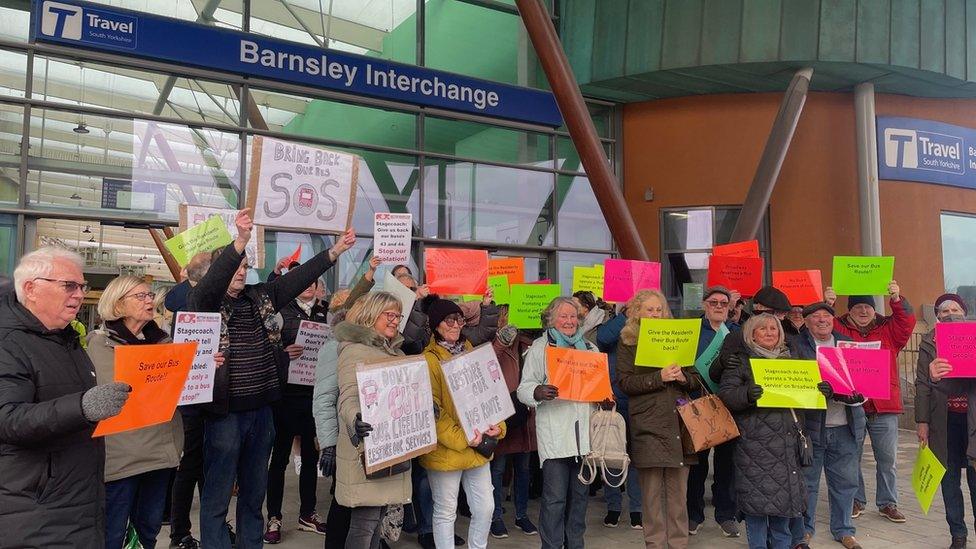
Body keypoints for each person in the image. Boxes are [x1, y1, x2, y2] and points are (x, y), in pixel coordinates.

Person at [186, 209, 355, 549]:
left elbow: (296, 279)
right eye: (234, 266)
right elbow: (213, 282)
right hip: (225, 414)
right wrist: (240, 243)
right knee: (218, 496)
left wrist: (333, 253)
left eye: (245, 266)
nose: (240, 271)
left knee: (254, 494)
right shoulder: (204, 301)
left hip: (262, 411)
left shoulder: (260, 296)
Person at [0, 246, 130, 547]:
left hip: (76, 501)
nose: (79, 294)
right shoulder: (8, 343)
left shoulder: (66, 339)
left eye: (82, 286)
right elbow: (8, 419)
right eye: (68, 285)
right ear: (31, 289)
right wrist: (83, 407)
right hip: (36, 511)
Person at [87, 276, 202, 549]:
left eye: (150, 295)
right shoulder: (99, 345)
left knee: (148, 532)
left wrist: (200, 369)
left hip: (159, 453)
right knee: (112, 534)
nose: (149, 300)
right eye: (140, 296)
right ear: (118, 304)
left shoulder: (165, 344)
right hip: (121, 457)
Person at [517, 297, 604, 549]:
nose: (569, 321)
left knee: (579, 499)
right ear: (551, 319)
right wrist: (537, 391)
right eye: (563, 316)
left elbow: (599, 390)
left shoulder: (589, 349)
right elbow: (523, 389)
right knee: (554, 500)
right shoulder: (540, 348)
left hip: (584, 439)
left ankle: (575, 544)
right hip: (556, 438)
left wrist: (605, 400)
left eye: (573, 316)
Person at [616, 289, 699, 549]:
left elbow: (696, 379)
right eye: (649, 309)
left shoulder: (678, 338)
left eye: (659, 309)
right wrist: (658, 377)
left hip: (678, 423)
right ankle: (654, 544)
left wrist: (684, 378)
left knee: (678, 495)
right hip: (649, 424)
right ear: (637, 311)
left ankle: (678, 544)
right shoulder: (628, 341)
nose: (655, 313)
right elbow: (625, 382)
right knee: (651, 495)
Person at [827, 281, 915, 523]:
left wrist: (897, 299)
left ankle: (888, 503)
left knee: (887, 459)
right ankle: (856, 499)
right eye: (858, 307)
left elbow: (907, 322)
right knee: (851, 456)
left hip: (883, 405)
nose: (863, 311)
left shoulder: (889, 329)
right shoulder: (839, 328)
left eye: (867, 306)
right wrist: (828, 304)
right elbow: (821, 324)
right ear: (850, 309)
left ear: (874, 309)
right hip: (851, 406)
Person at [422, 298, 506, 549]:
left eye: (459, 319)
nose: (456, 324)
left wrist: (498, 426)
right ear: (436, 325)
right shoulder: (428, 360)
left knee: (486, 507)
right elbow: (433, 410)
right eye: (450, 320)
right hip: (448, 449)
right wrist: (463, 437)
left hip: (477, 445)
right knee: (446, 510)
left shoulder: (472, 351)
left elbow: (490, 394)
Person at [718, 313, 806, 549]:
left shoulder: (793, 361)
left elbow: (807, 399)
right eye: (762, 329)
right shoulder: (742, 361)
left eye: (773, 329)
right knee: (757, 509)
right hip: (755, 447)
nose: (769, 332)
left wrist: (821, 390)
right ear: (751, 334)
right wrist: (746, 394)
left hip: (787, 446)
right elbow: (726, 395)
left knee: (783, 510)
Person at [335, 292, 413, 548]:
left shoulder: (398, 353)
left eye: (397, 315)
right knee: (364, 523)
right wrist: (356, 418)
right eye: (388, 315)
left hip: (390, 451)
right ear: (371, 315)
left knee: (376, 520)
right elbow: (347, 397)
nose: (394, 320)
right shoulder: (354, 350)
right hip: (366, 450)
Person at [789, 302, 866, 549]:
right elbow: (792, 385)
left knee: (845, 482)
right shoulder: (796, 346)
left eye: (827, 316)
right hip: (812, 427)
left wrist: (858, 397)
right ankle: (805, 530)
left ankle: (844, 529)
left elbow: (865, 382)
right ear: (806, 320)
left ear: (834, 320)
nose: (822, 320)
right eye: (816, 316)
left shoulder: (847, 345)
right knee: (808, 483)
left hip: (845, 425)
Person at [264, 275, 330, 543]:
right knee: (279, 458)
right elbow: (266, 346)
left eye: (312, 283)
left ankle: (307, 514)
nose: (307, 286)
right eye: (303, 282)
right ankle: (274, 516)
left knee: (310, 458)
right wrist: (283, 352)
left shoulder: (324, 312)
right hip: (285, 395)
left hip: (313, 394)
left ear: (317, 288)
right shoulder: (280, 311)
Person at [916, 293, 973, 549]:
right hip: (944, 422)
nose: (949, 313)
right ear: (937, 318)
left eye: (954, 308)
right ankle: (958, 536)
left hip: (972, 423)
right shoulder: (928, 343)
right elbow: (922, 386)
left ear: (964, 311)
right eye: (943, 311)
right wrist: (922, 421)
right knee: (949, 481)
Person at [168, 251, 216, 549]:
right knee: (190, 468)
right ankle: (180, 533)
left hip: (214, 396)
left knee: (210, 469)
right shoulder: (185, 302)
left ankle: (211, 527)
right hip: (192, 397)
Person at [688, 286, 739, 537]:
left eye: (723, 303)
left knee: (727, 465)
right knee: (696, 465)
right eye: (713, 302)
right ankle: (693, 515)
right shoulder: (691, 331)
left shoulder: (737, 333)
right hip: (699, 404)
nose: (718, 306)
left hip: (730, 405)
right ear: (704, 304)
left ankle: (726, 515)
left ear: (730, 307)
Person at [489, 306, 538, 538]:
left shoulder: (530, 343)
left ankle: (521, 515)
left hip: (526, 414)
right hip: (504, 414)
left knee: (523, 468)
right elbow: (487, 361)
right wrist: (502, 340)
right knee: (497, 469)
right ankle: (496, 516)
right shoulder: (496, 343)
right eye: (506, 316)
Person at [594, 297, 642, 529]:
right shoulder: (616, 324)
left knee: (636, 457)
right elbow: (602, 338)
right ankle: (613, 506)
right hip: (615, 398)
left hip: (642, 400)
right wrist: (625, 313)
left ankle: (637, 509)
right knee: (612, 454)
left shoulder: (653, 327)